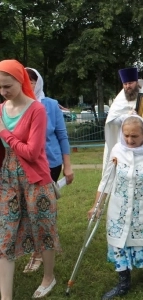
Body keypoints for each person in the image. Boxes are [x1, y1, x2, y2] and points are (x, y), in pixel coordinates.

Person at [88, 115, 143, 300]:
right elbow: (106, 181)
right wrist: (97, 206)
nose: (129, 140)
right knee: (119, 243)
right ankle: (123, 282)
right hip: (119, 209)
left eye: (134, 136)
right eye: (126, 135)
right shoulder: (117, 150)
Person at [0, 59, 61, 299]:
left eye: (7, 86)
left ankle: (49, 276)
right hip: (8, 178)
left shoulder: (37, 109)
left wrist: (4, 132)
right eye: (0, 87)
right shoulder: (1, 109)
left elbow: (33, 152)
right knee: (5, 233)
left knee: (43, 228)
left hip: (36, 178)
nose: (3, 92)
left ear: (20, 81)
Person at [20, 68, 74, 274]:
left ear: (39, 82)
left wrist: (67, 165)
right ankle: (36, 245)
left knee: (41, 207)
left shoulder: (50, 105)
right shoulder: (17, 105)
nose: (30, 84)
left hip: (49, 164)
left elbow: (61, 135)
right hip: (24, 162)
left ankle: (39, 252)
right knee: (27, 208)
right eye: (27, 80)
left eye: (34, 80)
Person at [102, 67, 143, 173]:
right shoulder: (119, 100)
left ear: (136, 82)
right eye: (125, 84)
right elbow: (111, 121)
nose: (128, 86)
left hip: (142, 142)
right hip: (124, 142)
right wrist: (125, 117)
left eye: (130, 83)